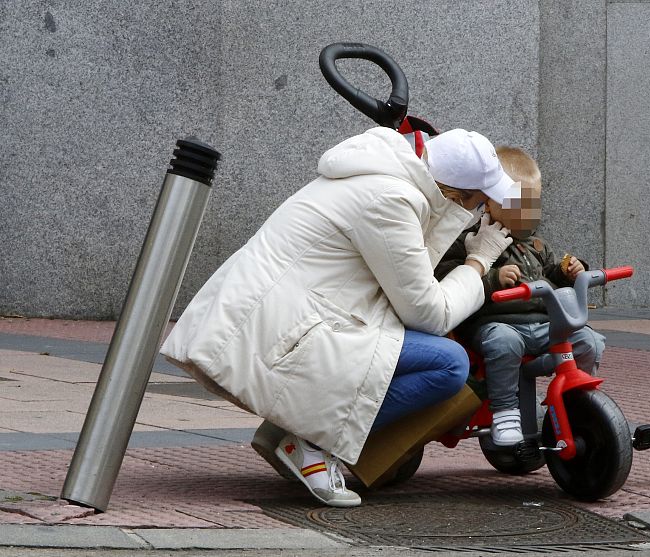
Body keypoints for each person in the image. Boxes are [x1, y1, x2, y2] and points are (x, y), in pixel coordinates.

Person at [161, 127, 517, 507]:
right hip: (289, 329)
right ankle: (311, 439)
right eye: (477, 203)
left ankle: (292, 430)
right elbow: (429, 313)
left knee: (424, 353)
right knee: (448, 364)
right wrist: (478, 261)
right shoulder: (390, 198)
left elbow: (406, 281)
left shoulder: (384, 174)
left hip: (294, 316)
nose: (477, 212)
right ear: (454, 193)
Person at [434, 146, 606, 447]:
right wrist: (492, 277)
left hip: (542, 326)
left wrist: (568, 271)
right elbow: (448, 278)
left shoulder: (536, 245)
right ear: (489, 203)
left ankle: (578, 404)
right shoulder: (468, 240)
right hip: (495, 324)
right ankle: (505, 412)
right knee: (504, 342)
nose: (527, 213)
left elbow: (549, 273)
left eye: (532, 204)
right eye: (517, 204)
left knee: (587, 341)